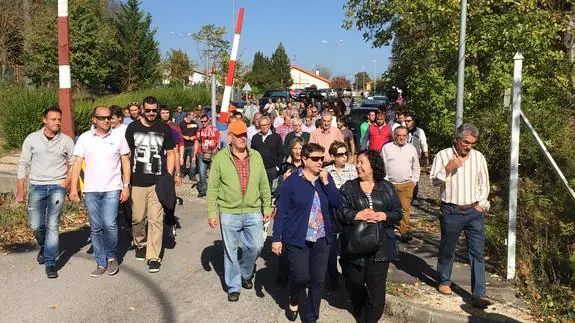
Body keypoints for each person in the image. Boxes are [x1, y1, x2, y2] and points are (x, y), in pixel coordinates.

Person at [272, 143, 341, 322]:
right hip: (297, 237)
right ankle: (294, 298)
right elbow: (282, 212)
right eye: (316, 159)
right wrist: (276, 238)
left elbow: (336, 202)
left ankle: (311, 317)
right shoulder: (292, 181)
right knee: (301, 276)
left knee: (318, 280)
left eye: (322, 159)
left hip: (322, 237)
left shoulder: (325, 178)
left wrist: (327, 183)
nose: (320, 162)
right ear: (304, 159)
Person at [207, 120, 272, 302]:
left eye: (245, 134)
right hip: (229, 212)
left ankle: (245, 272)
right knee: (231, 251)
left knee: (256, 245)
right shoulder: (220, 158)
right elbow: (212, 188)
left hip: (253, 210)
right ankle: (234, 285)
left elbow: (264, 184)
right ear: (230, 137)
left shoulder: (256, 156)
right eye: (238, 135)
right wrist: (212, 213)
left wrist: (267, 206)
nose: (243, 138)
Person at [430, 123, 491, 308]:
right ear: (457, 139)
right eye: (465, 142)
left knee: (477, 252)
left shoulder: (478, 157)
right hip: (451, 210)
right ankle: (444, 280)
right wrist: (448, 168)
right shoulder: (443, 155)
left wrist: (482, 205)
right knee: (448, 248)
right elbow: (433, 181)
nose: (468, 146)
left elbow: (484, 183)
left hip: (474, 211)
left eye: (472, 143)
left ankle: (479, 293)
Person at [337, 150, 402, 322]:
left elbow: (398, 212)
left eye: (362, 162)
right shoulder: (348, 187)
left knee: (376, 290)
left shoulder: (387, 187)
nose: (358, 166)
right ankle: (359, 307)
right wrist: (356, 215)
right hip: (355, 245)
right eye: (357, 162)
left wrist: (384, 216)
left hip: (381, 247)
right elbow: (340, 212)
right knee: (355, 282)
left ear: (373, 166)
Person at [69, 106, 131, 277]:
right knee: (96, 227)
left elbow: (125, 161)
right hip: (91, 190)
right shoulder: (84, 138)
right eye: (102, 118)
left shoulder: (119, 137)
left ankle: (111, 258)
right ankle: (100, 261)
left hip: (112, 188)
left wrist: (126, 186)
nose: (106, 120)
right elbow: (76, 164)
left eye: (108, 117)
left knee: (110, 224)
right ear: (93, 120)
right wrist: (74, 188)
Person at [15, 106, 75, 279]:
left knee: (52, 224)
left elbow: (74, 162)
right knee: (35, 225)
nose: (57, 122)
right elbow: (23, 163)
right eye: (53, 119)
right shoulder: (32, 139)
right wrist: (21, 188)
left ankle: (50, 262)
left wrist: (67, 182)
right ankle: (44, 246)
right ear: (45, 120)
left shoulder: (66, 140)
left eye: (59, 119)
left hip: (57, 186)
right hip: (36, 186)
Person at [125, 96, 176, 273]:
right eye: (148, 110)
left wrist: (169, 175)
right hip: (137, 181)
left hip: (158, 182)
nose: (152, 113)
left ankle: (153, 256)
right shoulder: (132, 128)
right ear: (142, 109)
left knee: (156, 220)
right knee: (137, 218)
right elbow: (126, 154)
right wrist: (125, 180)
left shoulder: (164, 129)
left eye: (154, 110)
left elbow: (170, 153)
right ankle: (140, 243)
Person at [324, 141, 358, 291]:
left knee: (347, 249)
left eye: (346, 154)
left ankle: (349, 278)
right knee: (330, 250)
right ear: (332, 156)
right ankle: (333, 278)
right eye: (340, 155)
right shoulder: (326, 171)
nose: (344, 157)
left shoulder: (353, 170)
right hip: (332, 215)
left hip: (349, 215)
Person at [381, 126, 420, 242]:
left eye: (404, 136)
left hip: (406, 184)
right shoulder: (387, 148)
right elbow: (382, 165)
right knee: (388, 208)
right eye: (399, 135)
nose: (402, 138)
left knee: (404, 209)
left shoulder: (411, 149)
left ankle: (405, 231)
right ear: (394, 136)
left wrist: (414, 181)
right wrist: (385, 181)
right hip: (389, 184)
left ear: (407, 136)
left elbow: (416, 166)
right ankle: (387, 230)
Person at [160, 105, 183, 239]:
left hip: (168, 170)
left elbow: (175, 152)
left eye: (167, 112)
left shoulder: (173, 130)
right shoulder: (151, 129)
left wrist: (177, 173)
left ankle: (170, 223)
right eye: (163, 113)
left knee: (170, 199)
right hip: (153, 170)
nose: (165, 115)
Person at [250, 116, 284, 190]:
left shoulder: (276, 137)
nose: (264, 127)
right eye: (262, 125)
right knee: (260, 189)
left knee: (272, 190)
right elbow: (252, 153)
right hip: (259, 169)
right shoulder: (255, 138)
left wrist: (277, 167)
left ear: (269, 125)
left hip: (272, 169)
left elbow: (281, 153)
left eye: (266, 125)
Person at [192, 114, 220, 198]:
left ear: (208, 121)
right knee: (202, 172)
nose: (203, 123)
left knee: (214, 173)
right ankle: (203, 190)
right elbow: (196, 143)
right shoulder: (199, 131)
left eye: (205, 121)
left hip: (213, 154)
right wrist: (194, 156)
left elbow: (218, 140)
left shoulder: (214, 130)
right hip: (201, 153)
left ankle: (214, 190)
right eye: (202, 121)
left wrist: (216, 149)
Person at [405, 112, 429, 206]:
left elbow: (423, 143)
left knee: (415, 177)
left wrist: (426, 156)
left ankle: (414, 197)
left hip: (416, 158)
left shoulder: (420, 131)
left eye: (409, 121)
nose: (406, 123)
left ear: (413, 121)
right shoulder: (403, 131)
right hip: (404, 158)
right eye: (405, 121)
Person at [180, 111, 200, 181]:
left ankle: (192, 175)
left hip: (192, 145)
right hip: (183, 145)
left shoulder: (195, 124)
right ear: (188, 115)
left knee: (193, 161)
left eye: (194, 115)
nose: (194, 116)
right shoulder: (181, 123)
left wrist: (194, 136)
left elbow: (198, 133)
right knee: (182, 160)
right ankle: (182, 172)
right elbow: (178, 133)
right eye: (192, 115)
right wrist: (184, 136)